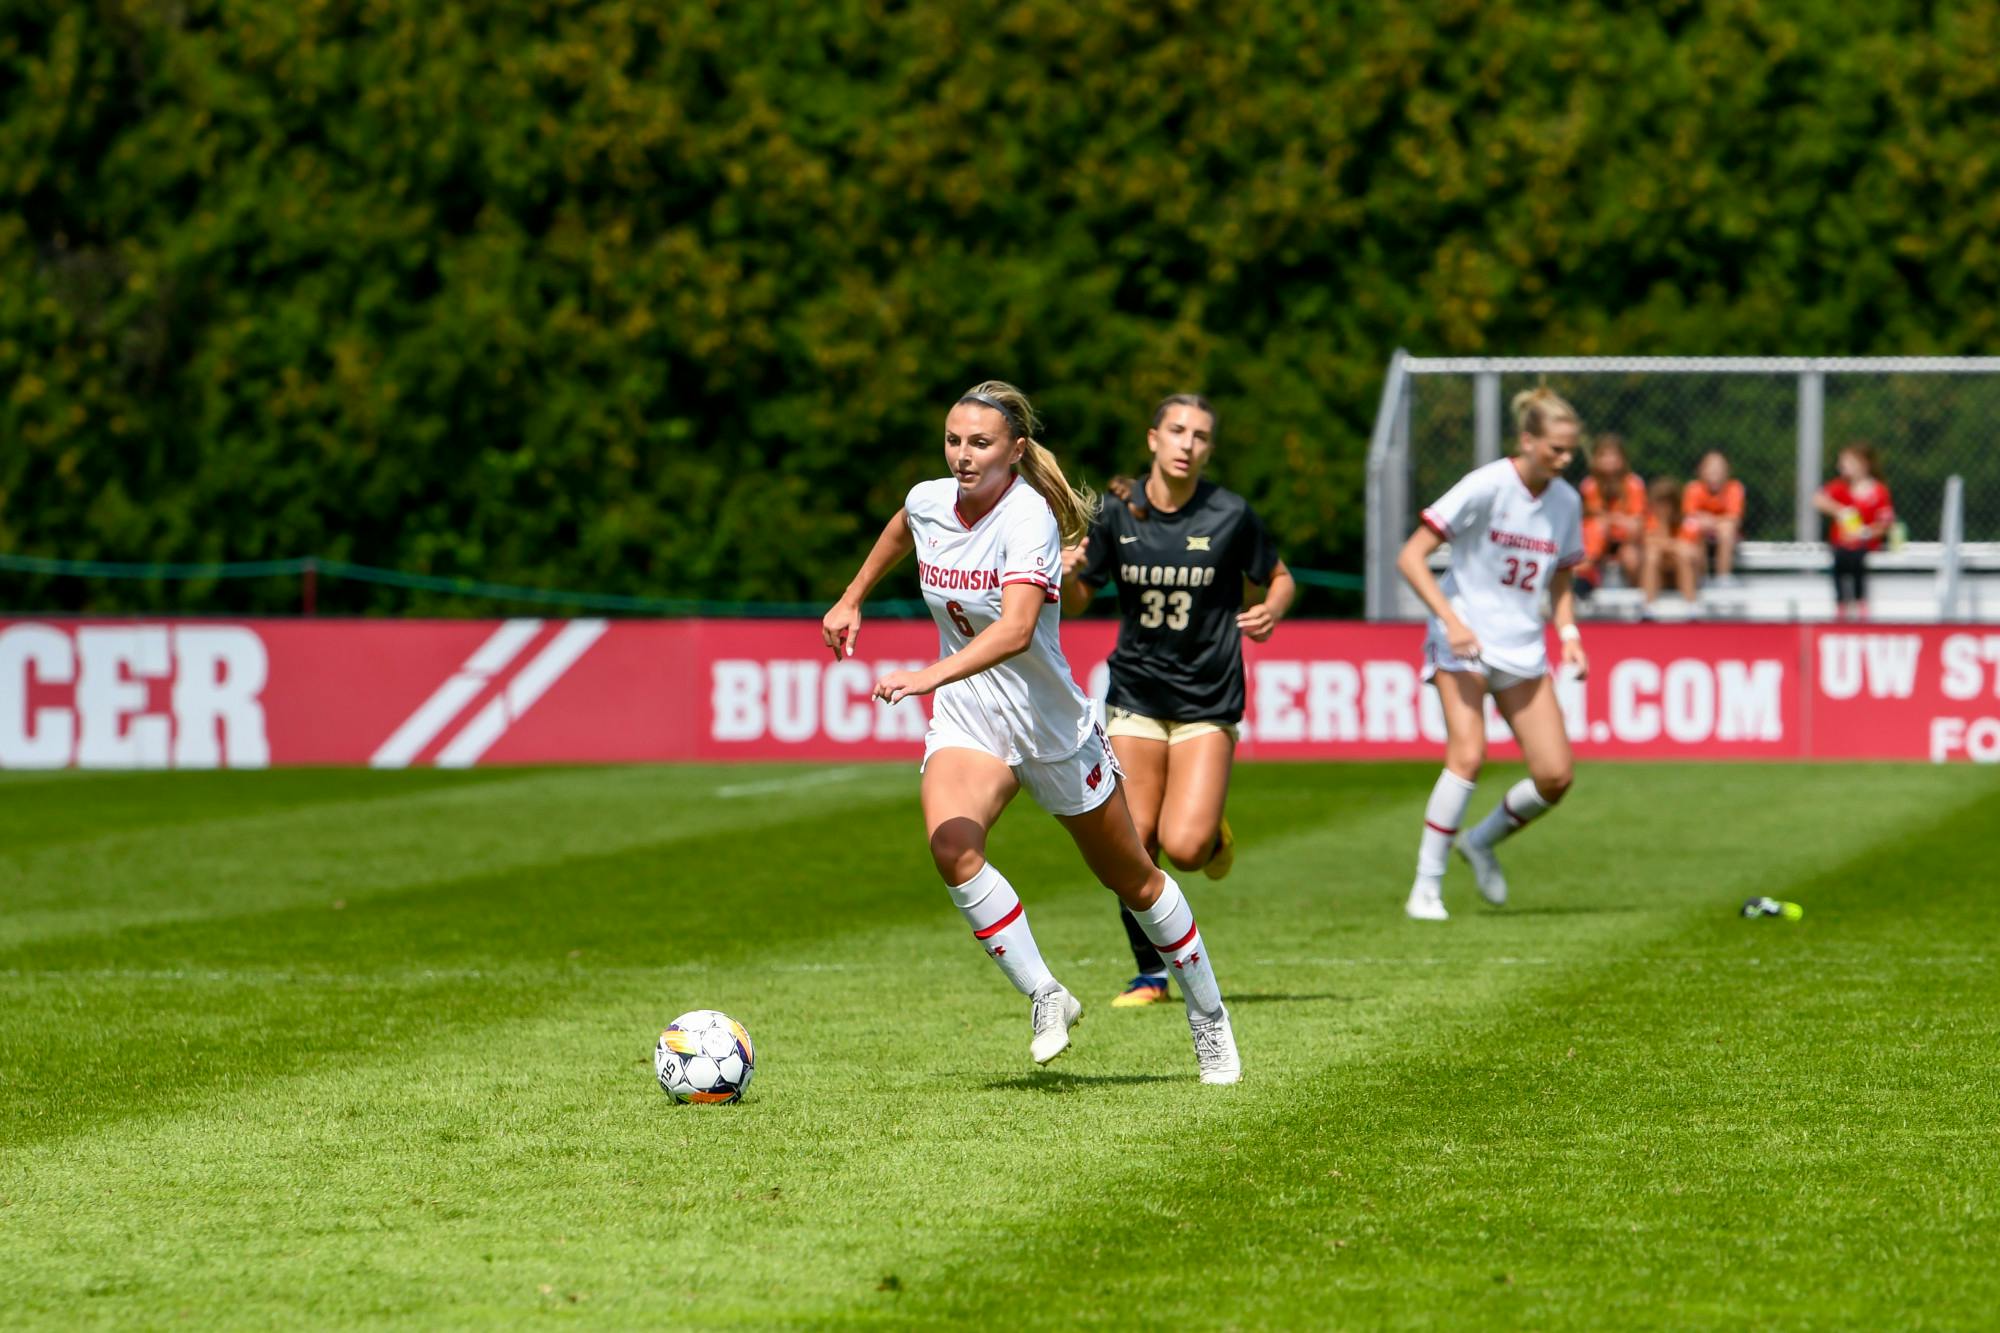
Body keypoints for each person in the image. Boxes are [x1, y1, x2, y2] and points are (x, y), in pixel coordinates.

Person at [821, 380, 1241, 1083]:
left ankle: (1209, 1017)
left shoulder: (1029, 518)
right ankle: (1047, 993)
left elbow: (1017, 631)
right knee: (952, 848)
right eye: (953, 439)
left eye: (979, 442)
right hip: (970, 717)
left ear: (1015, 450)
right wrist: (852, 595)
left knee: (1136, 878)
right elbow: (903, 524)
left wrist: (928, 674)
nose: (961, 454)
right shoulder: (930, 499)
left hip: (1050, 728)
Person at [1059, 394, 1296, 1009]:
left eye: (1201, 436)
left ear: (1209, 450)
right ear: (1153, 439)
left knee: (1185, 849)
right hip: (1134, 693)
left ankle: (1211, 834)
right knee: (1132, 843)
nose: (1189, 444)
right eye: (1178, 431)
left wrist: (1273, 607)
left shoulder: (1229, 513)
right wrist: (1065, 576)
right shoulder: (1117, 511)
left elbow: (1280, 575)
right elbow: (1081, 596)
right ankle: (1151, 975)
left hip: (1208, 698)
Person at [1395, 387, 1590, 921]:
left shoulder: (1566, 502)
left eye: (1571, 451)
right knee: (1469, 755)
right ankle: (1426, 887)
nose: (1564, 460)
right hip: (1465, 638)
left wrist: (1569, 633)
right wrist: (1451, 621)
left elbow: (1563, 575)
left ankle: (1479, 842)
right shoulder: (1486, 485)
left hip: (1523, 645)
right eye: (1555, 449)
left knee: (1555, 776)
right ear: (1527, 441)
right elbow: (1412, 556)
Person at [1814, 443, 1894, 621]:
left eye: (1847, 462)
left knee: (1857, 559)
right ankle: (1841, 605)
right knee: (1839, 559)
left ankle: (1860, 603)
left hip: (1865, 543)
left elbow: (1885, 523)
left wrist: (1864, 532)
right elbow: (1818, 499)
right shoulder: (1839, 487)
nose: (1841, 467)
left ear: (1863, 464)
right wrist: (1841, 510)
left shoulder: (1878, 491)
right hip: (1842, 544)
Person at [1575, 435, 1646, 594]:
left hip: (1626, 540)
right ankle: (1586, 574)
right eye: (1604, 455)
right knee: (1598, 528)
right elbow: (1593, 518)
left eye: (1614, 455)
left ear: (1622, 459)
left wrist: (1612, 520)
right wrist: (1617, 520)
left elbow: (1636, 524)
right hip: (1597, 541)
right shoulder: (1590, 484)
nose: (1610, 460)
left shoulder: (1633, 484)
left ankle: (1637, 598)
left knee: (1631, 557)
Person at [1679, 450, 1745, 587]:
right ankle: (1702, 577)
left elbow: (1735, 519)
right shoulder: (1693, 488)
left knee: (1726, 530)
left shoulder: (1734, 488)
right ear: (1700, 470)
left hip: (1725, 537)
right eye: (1710, 467)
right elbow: (1690, 517)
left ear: (1727, 471)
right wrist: (1719, 520)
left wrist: (1710, 521)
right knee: (1696, 528)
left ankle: (1723, 578)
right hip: (1700, 536)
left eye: (1719, 468)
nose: (1715, 471)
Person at [1640, 476, 1698, 605]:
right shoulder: (1647, 521)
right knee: (1652, 556)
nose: (1663, 509)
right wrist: (1663, 527)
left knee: (1683, 556)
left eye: (1667, 504)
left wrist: (1664, 543)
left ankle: (1691, 606)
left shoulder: (1687, 522)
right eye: (1659, 504)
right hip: (1660, 574)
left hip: (1681, 572)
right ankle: (1648, 606)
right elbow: (1647, 544)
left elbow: (1689, 550)